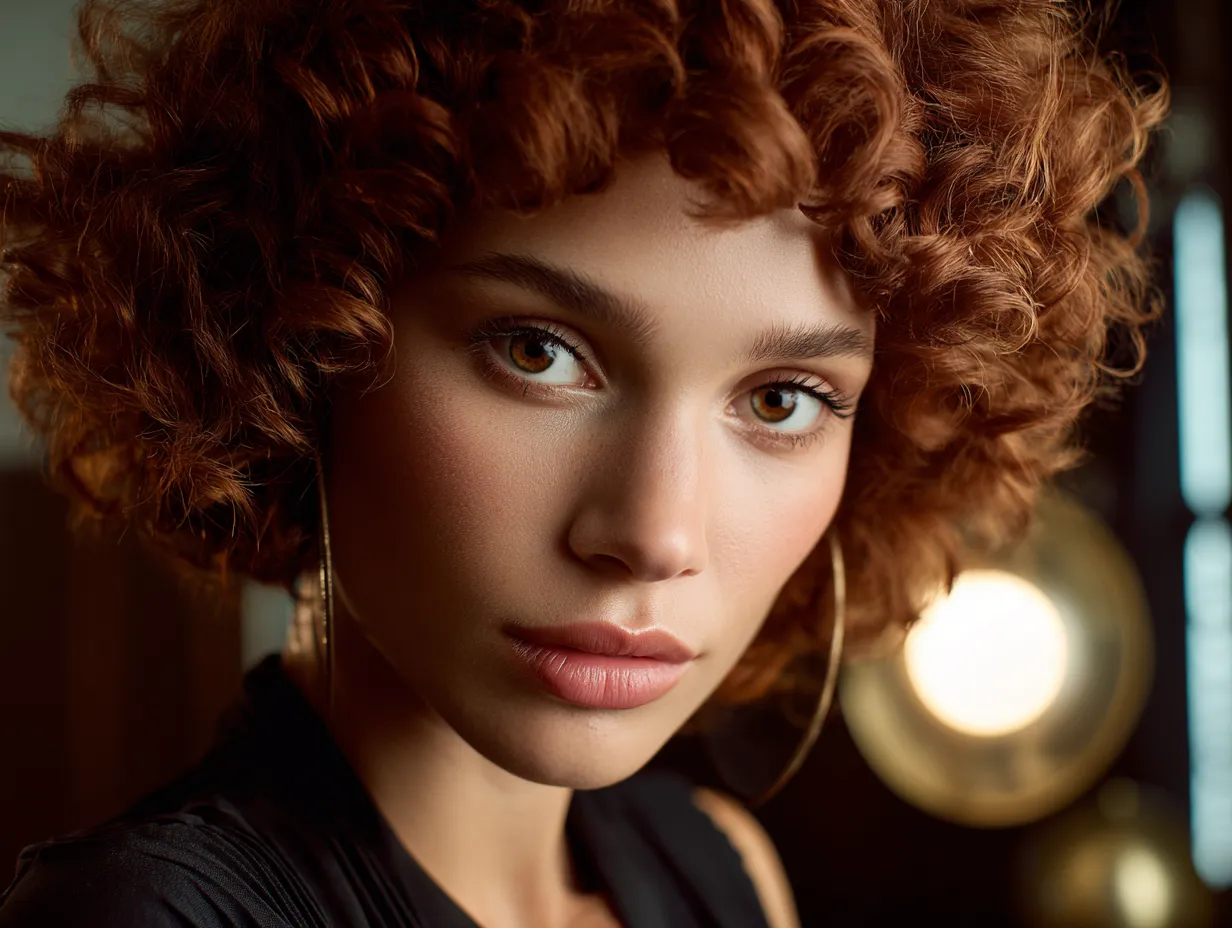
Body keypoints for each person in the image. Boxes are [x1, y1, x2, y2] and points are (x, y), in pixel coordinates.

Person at [0, 0, 1166, 925]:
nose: (655, 533)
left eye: (780, 399)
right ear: (300, 337)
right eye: (537, 351)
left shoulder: (721, 867)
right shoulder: (145, 915)